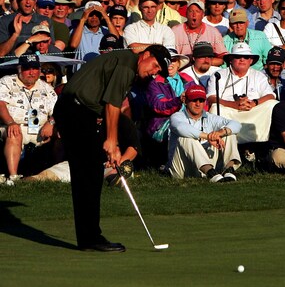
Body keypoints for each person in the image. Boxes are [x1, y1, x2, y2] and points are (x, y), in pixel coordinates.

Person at [53, 45, 170, 251]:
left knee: (90, 174)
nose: (154, 72)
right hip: (75, 110)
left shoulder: (128, 64)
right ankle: (90, 238)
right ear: (146, 55)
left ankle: (89, 236)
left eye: (158, 71)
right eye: (155, 65)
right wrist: (112, 142)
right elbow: (112, 104)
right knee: (88, 174)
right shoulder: (127, 64)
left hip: (79, 112)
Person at [0, 55, 58, 184]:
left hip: (41, 128)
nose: (31, 72)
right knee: (14, 133)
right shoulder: (7, 82)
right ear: (19, 69)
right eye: (27, 69)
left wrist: (51, 123)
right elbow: (0, 104)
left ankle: (59, 175)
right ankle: (13, 177)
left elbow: (59, 110)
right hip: (15, 125)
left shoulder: (47, 88)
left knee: (61, 135)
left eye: (35, 68)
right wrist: (10, 122)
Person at [167, 83, 242, 181]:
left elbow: (237, 124)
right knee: (185, 137)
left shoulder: (210, 117)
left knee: (229, 133)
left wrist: (220, 133)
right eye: (194, 100)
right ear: (185, 101)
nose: (198, 104)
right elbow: (181, 128)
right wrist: (209, 136)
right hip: (183, 169)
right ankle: (211, 173)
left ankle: (229, 170)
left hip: (209, 162)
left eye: (201, 100)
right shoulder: (177, 116)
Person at [206, 42, 277, 143]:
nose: (242, 59)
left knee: (272, 104)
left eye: (246, 57)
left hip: (252, 110)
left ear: (251, 60)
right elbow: (211, 97)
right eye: (238, 56)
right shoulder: (219, 74)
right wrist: (233, 104)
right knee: (215, 108)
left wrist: (254, 103)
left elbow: (270, 95)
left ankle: (261, 143)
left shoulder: (258, 75)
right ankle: (223, 141)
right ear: (231, 59)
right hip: (230, 111)